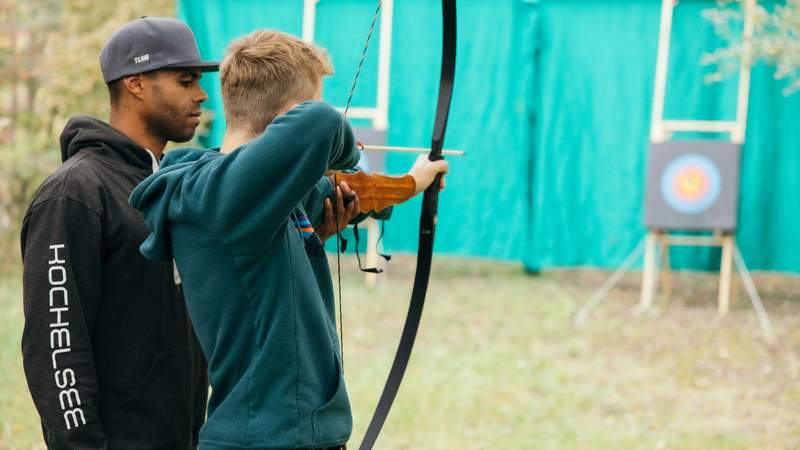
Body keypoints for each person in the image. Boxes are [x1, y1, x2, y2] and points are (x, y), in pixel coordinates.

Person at [129, 30, 448, 450]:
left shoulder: (263, 197)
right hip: (265, 437)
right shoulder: (218, 196)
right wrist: (346, 153)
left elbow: (347, 195)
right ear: (290, 118)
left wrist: (413, 181)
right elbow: (321, 123)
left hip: (285, 435)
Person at [20, 17, 216, 448]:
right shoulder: (74, 193)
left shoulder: (173, 187)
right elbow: (55, 346)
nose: (201, 94)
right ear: (136, 83)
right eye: (186, 81)